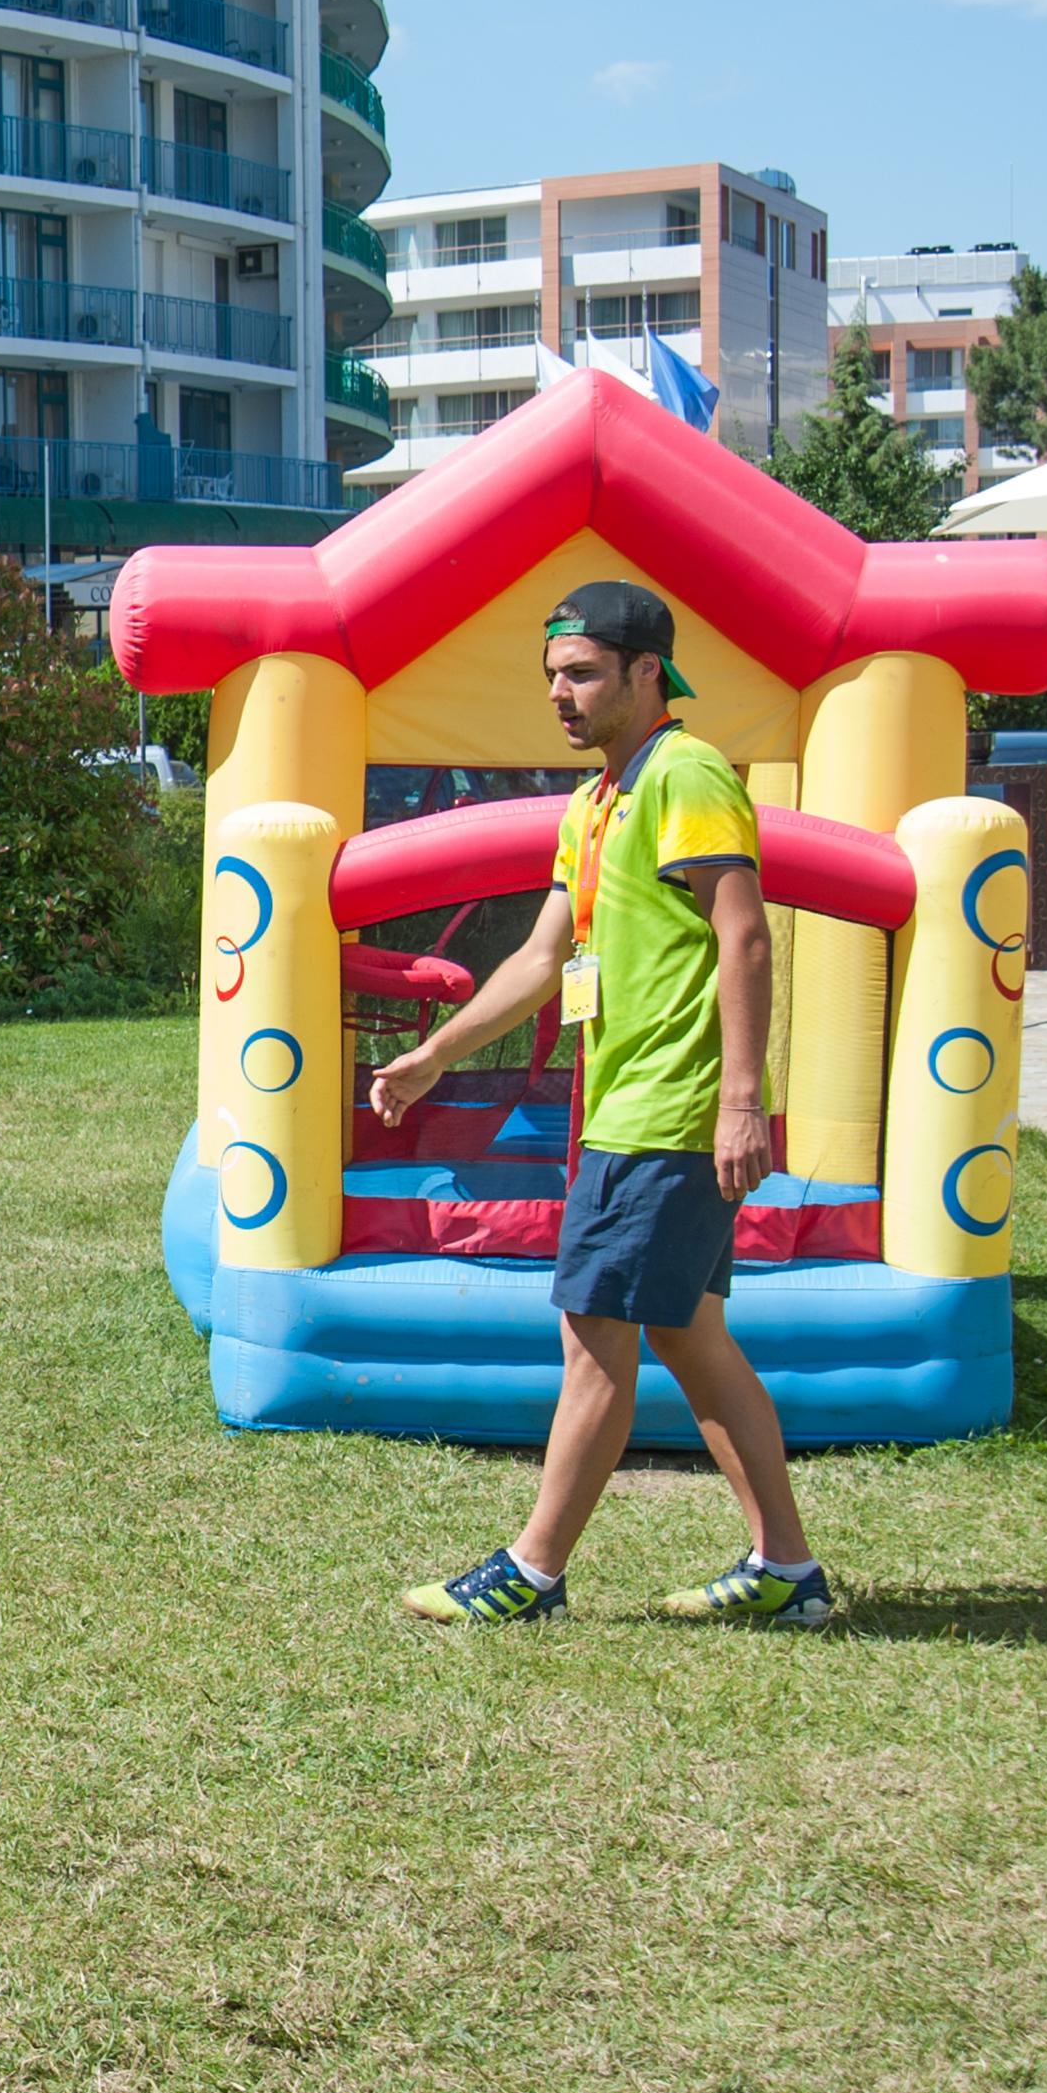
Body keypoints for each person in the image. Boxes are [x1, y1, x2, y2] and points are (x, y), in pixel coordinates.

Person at [365, 580, 834, 1629]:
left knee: (594, 1334)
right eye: (550, 679)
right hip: (622, 1109)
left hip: (667, 1111)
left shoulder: (686, 773)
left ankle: (531, 1572)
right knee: (688, 1337)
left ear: (643, 672)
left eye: (579, 675)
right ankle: (785, 1571)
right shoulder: (595, 802)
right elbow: (541, 958)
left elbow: (743, 935)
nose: (561, 697)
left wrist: (741, 1102)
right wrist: (434, 1055)